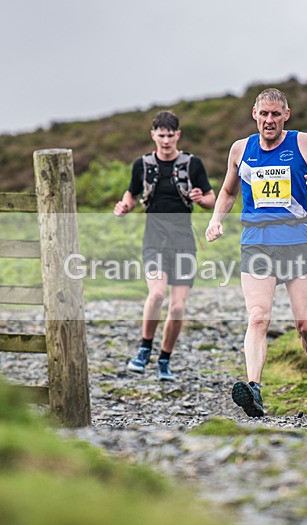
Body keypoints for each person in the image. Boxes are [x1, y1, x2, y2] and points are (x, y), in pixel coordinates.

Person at [205, 88, 307, 418]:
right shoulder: (241, 150)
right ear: (254, 114)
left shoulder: (304, 143)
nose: (269, 120)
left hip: (297, 241)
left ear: (287, 115)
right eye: (263, 114)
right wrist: (215, 221)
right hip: (256, 241)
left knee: (306, 326)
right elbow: (227, 191)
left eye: (275, 114)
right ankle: (254, 390)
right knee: (258, 316)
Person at [114, 110, 216, 382]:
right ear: (153, 136)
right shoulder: (142, 164)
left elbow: (211, 199)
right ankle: (144, 348)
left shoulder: (192, 164)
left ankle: (164, 360)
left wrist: (200, 198)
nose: (166, 140)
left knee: (178, 308)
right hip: (154, 240)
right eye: (161, 135)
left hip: (183, 241)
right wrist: (124, 207)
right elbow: (132, 194)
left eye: (171, 135)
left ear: (178, 135)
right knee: (157, 294)